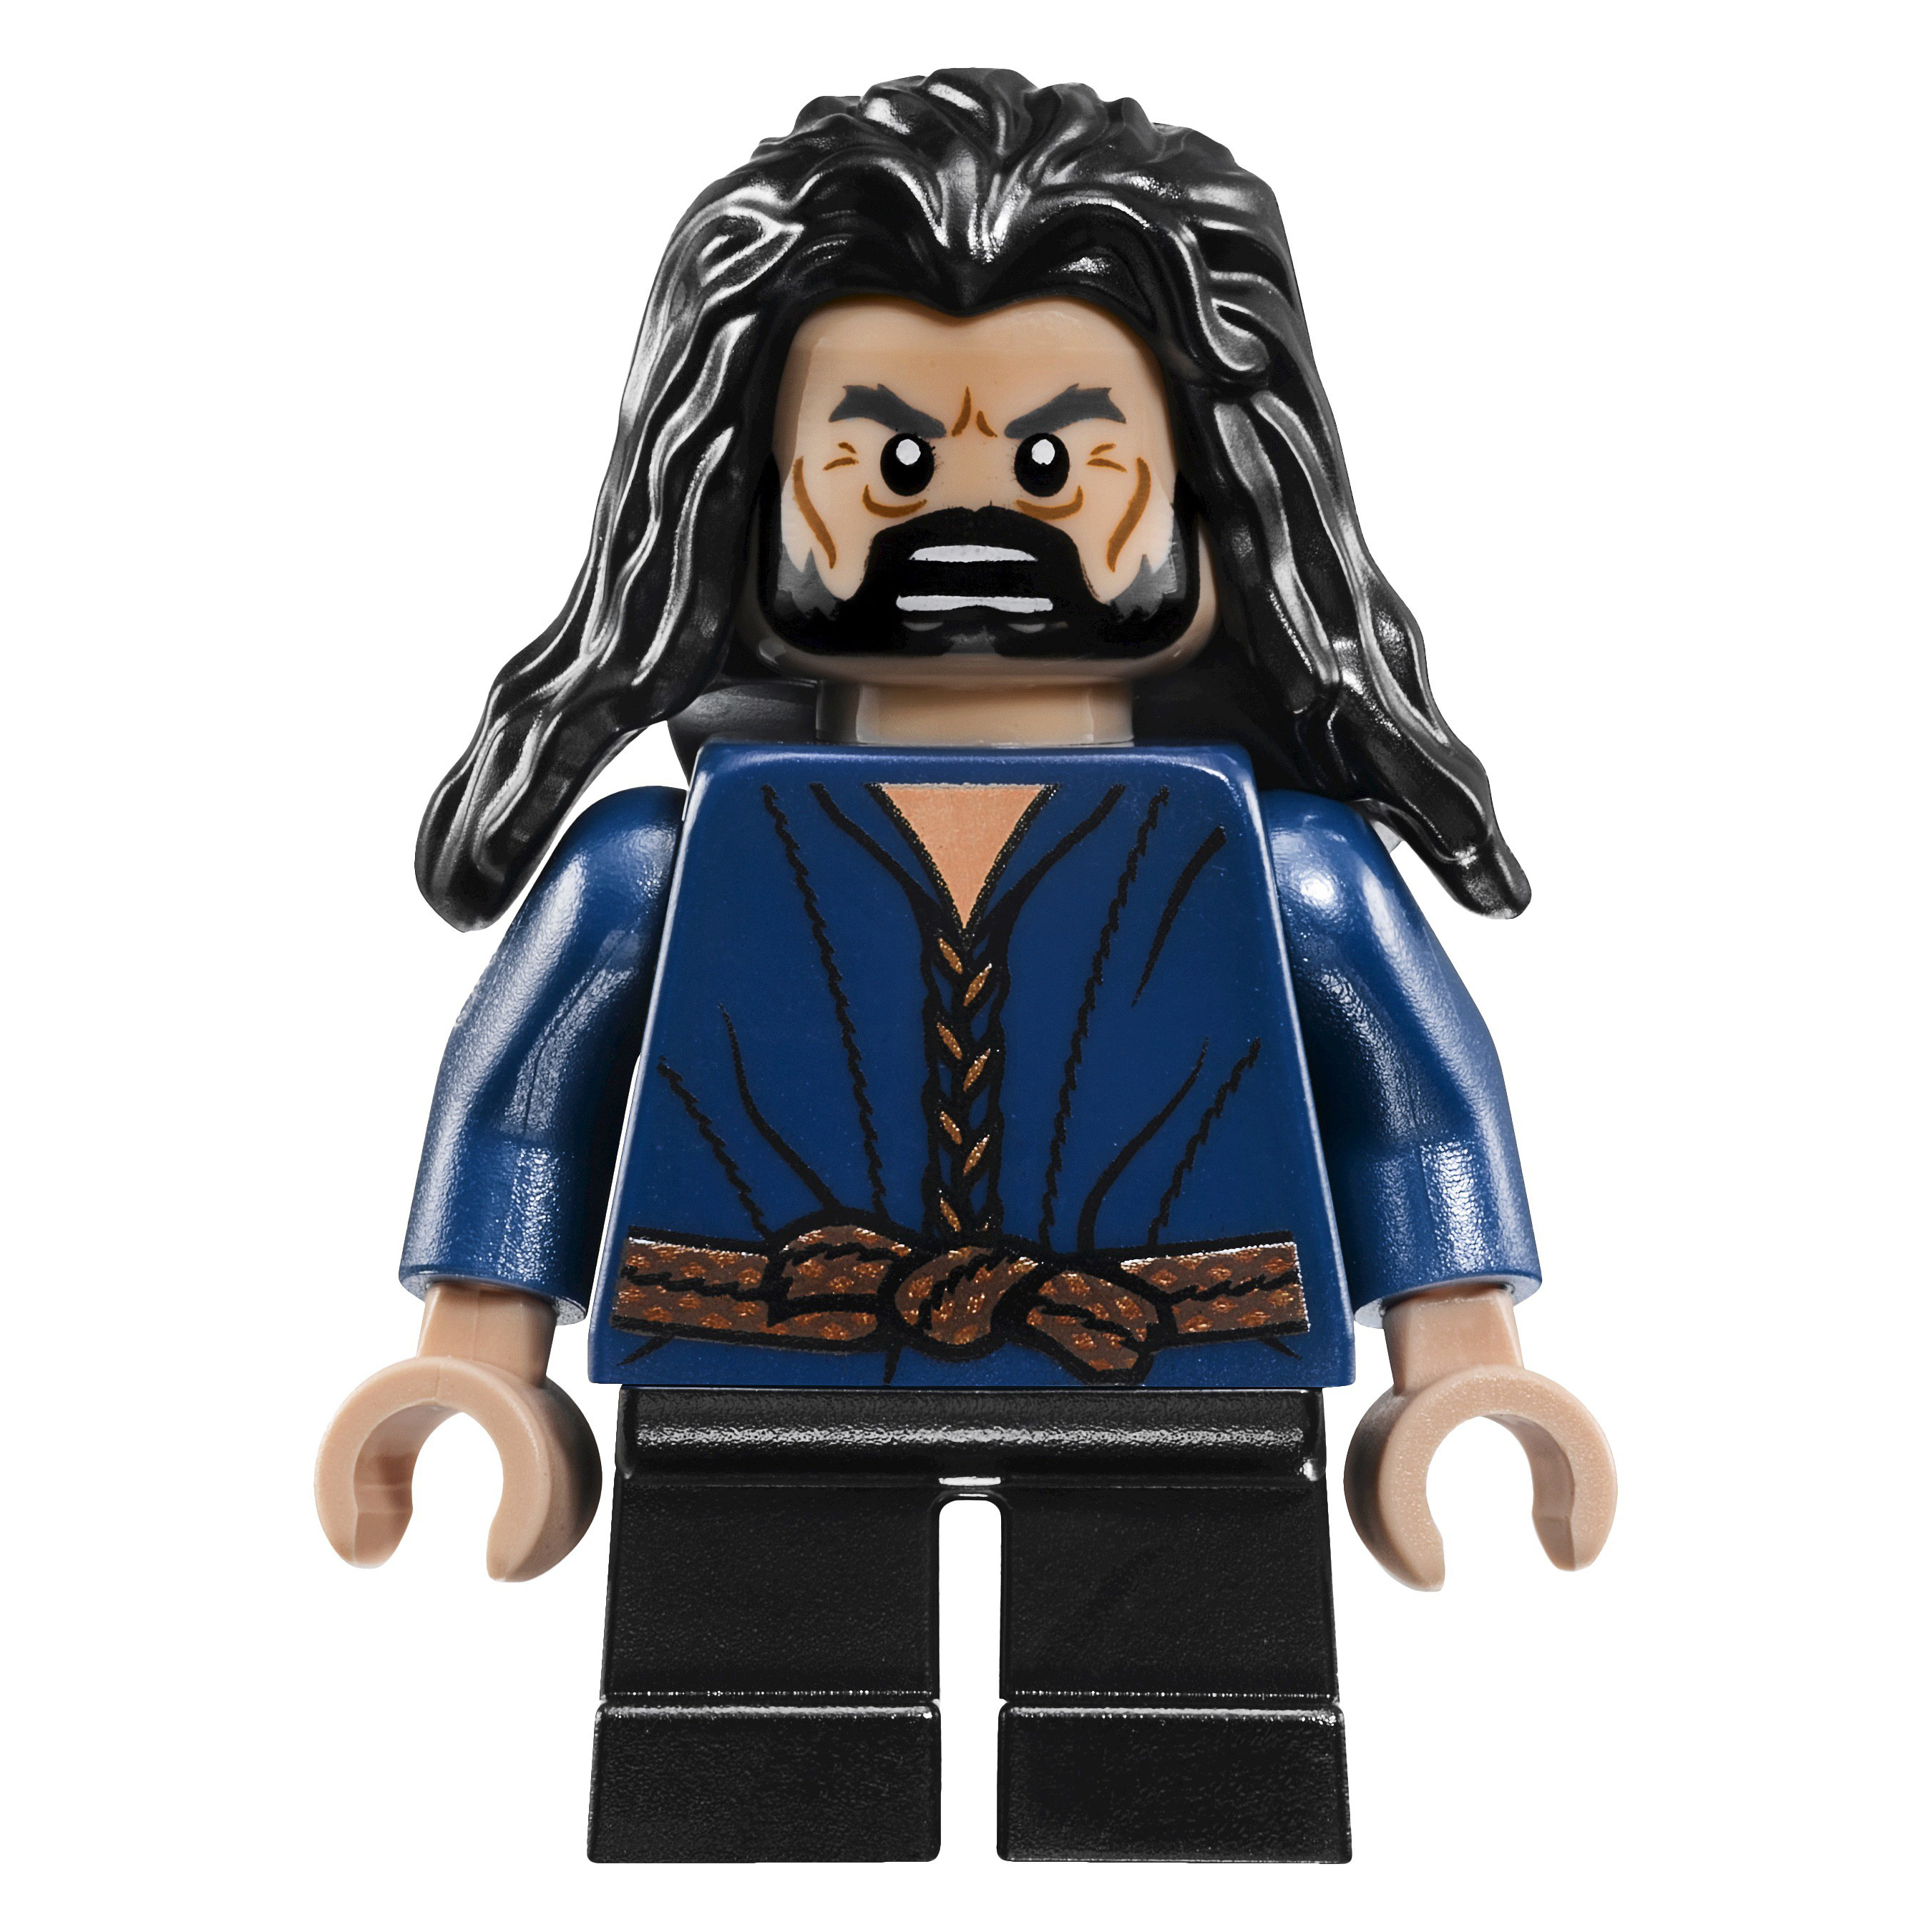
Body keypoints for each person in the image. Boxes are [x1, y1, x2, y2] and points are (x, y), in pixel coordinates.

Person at [316, 68, 1614, 1864]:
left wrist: (1461, 1365)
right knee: (746, 1781)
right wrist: (477, 1361)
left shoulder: (1290, 868)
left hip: (1184, 1381)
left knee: (1190, 1787)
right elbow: (519, 1106)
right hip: (756, 1380)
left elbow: (1418, 1109)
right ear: (754, 494)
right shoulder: (654, 870)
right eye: (896, 463)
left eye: (1062, 462)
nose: (975, 520)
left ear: (1212, 493)